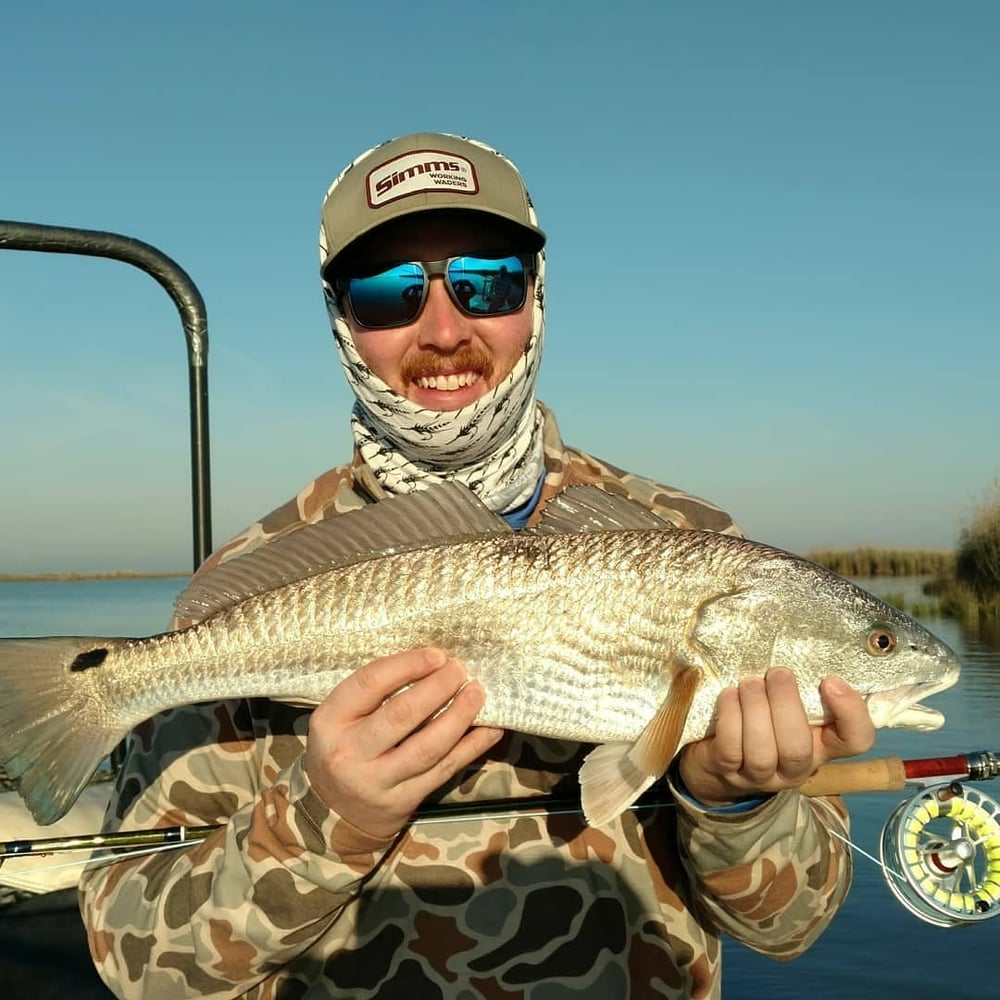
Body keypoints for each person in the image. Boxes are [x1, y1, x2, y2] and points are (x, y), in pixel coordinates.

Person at [79, 132, 875, 998]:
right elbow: (137, 963)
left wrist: (734, 801)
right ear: (342, 320)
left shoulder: (692, 542)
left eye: (485, 281)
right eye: (388, 293)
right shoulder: (264, 570)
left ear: (535, 296)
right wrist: (324, 822)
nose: (445, 328)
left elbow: (792, 929)